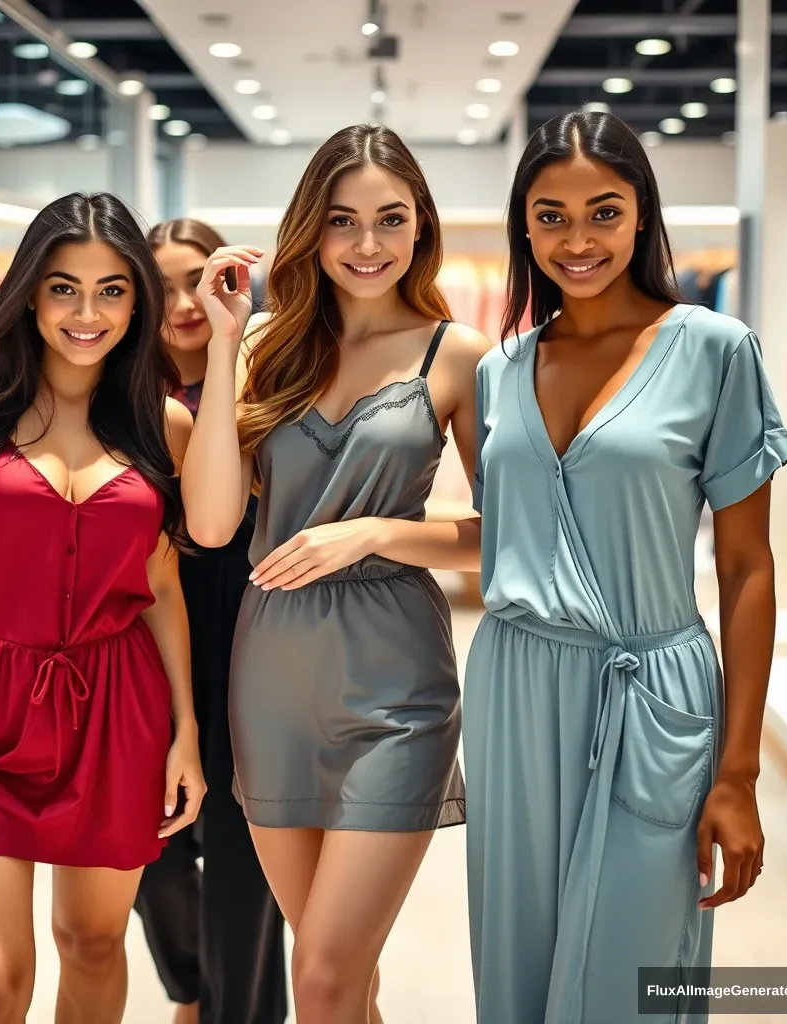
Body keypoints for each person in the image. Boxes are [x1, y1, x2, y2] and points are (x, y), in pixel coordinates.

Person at [465, 109, 787, 1023]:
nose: (577, 240)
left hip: (653, 684)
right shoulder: (503, 370)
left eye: (604, 212)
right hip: (514, 688)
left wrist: (738, 772)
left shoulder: (714, 350)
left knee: (640, 972)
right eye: (551, 216)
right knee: (519, 961)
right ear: (523, 225)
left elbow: (746, 570)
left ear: (644, 216)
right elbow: (502, 537)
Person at [0, 192, 206, 1023]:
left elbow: (160, 583)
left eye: (112, 290)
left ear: (140, 299)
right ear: (27, 291)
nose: (87, 313)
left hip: (113, 708)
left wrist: (185, 731)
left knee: (93, 945)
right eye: (63, 288)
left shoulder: (163, 423)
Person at [180, 122, 491, 1022]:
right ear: (310, 230)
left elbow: (506, 533)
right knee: (341, 976)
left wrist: (372, 534)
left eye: (390, 220)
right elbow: (209, 520)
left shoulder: (457, 353)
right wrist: (225, 343)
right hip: (270, 672)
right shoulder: (264, 346)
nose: (366, 245)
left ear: (421, 228)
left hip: (396, 683)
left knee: (317, 980)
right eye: (343, 221)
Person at [133, 216, 288, 1024]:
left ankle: (245, 1011)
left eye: (198, 277)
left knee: (241, 841)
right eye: (158, 284)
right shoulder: (121, 389)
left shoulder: (261, 374)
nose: (183, 301)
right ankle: (190, 992)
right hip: (142, 623)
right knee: (146, 839)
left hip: (245, 615)